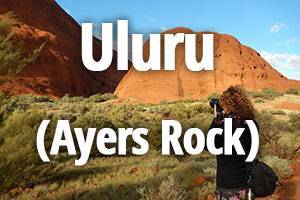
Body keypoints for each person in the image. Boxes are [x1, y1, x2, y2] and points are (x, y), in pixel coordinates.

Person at [209, 86, 257, 200]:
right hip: (245, 184)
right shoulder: (252, 124)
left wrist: (218, 118)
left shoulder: (223, 124)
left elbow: (210, 145)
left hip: (225, 184)